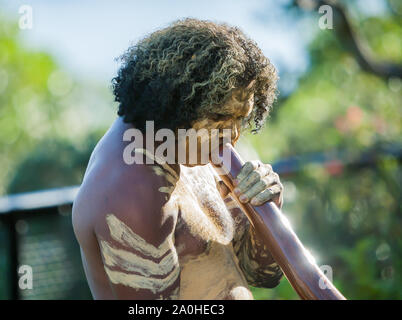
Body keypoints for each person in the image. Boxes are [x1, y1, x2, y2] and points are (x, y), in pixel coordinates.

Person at [72, 18, 284, 300]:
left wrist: (268, 204)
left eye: (239, 120)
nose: (232, 137)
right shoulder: (132, 186)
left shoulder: (192, 149)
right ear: (178, 101)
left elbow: (260, 273)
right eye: (220, 118)